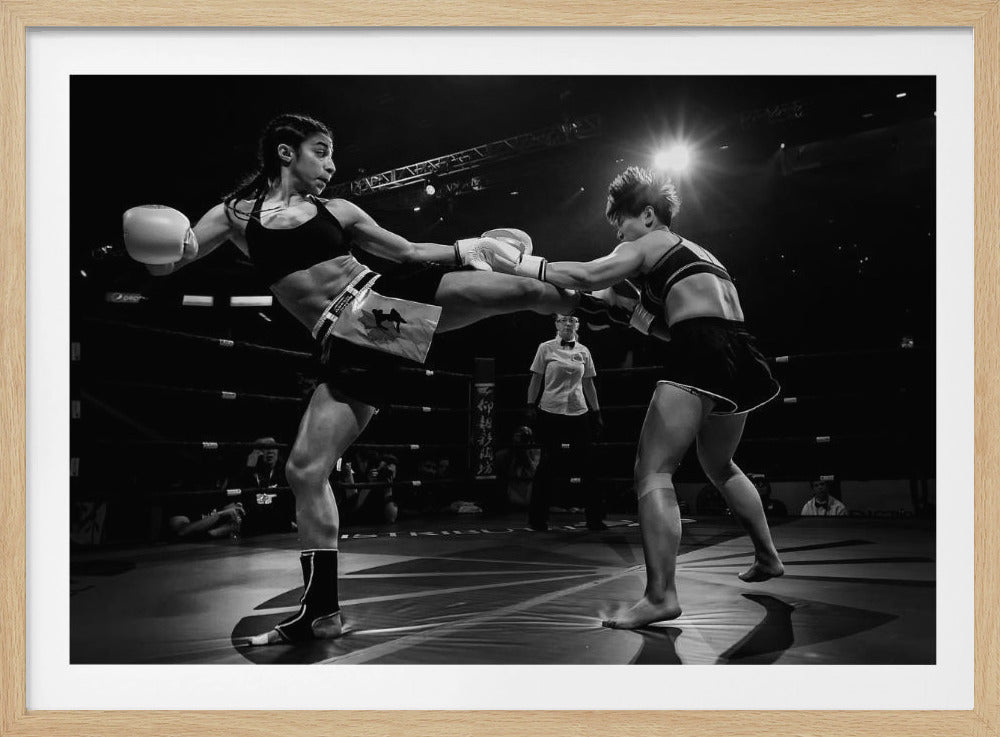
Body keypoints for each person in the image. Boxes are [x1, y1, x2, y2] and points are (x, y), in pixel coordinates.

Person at [123, 113, 581, 645]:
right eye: (321, 150)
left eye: (332, 152)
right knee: (305, 471)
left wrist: (468, 248)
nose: (332, 163)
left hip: (375, 309)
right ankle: (321, 612)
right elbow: (169, 262)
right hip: (350, 335)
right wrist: (155, 232)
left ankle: (605, 295)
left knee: (520, 292)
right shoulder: (235, 215)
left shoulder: (338, 209)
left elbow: (407, 251)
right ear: (286, 151)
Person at [491, 166, 785, 629]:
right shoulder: (697, 252)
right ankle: (768, 557)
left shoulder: (649, 242)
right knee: (720, 465)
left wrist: (519, 262)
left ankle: (661, 596)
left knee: (652, 471)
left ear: (648, 215)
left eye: (621, 224)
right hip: (742, 353)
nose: (619, 236)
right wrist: (630, 312)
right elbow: (671, 327)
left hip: (703, 348)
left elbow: (588, 275)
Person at [526, 315, 606, 531]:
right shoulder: (545, 348)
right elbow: (536, 379)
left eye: (572, 320)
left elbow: (589, 384)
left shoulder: (584, 351)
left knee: (588, 463)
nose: (568, 323)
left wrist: (596, 411)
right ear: (557, 324)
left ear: (577, 325)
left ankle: (595, 519)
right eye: (563, 320)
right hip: (551, 410)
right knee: (547, 463)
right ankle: (537, 519)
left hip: (578, 411)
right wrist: (530, 405)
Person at [492, 425, 541, 512]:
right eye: (519, 436)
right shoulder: (503, 454)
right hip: (513, 487)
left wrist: (524, 452)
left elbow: (534, 471)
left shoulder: (536, 451)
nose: (521, 439)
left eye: (524, 437)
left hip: (529, 486)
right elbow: (503, 473)